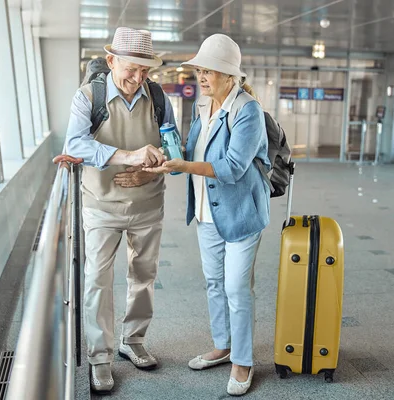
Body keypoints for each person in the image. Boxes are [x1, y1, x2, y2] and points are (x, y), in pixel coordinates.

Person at [144, 34, 270, 396]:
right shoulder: (204, 105)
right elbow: (190, 150)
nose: (201, 76)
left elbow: (232, 167)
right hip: (206, 212)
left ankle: (243, 362)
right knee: (214, 283)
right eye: (199, 69)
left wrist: (184, 163)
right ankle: (223, 344)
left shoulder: (247, 111)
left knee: (236, 288)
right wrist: (168, 157)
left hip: (241, 214)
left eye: (209, 70)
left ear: (230, 75)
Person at [53, 27, 178, 394]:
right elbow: (75, 143)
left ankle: (133, 340)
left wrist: (146, 171)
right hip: (100, 207)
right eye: (131, 68)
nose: (137, 78)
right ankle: (100, 357)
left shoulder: (157, 97)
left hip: (148, 205)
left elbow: (174, 147)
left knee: (143, 276)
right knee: (97, 281)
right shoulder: (88, 97)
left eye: (145, 70)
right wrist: (128, 156)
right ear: (111, 61)